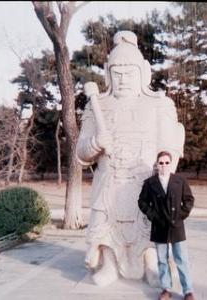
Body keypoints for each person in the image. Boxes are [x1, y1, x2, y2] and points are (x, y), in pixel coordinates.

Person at [76, 31, 185, 286]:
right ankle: (109, 263)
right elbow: (81, 153)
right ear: (108, 74)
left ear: (144, 73)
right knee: (105, 217)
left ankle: (151, 264)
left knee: (148, 220)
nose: (123, 79)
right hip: (110, 178)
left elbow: (170, 145)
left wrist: (163, 167)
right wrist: (94, 143)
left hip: (144, 176)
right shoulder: (97, 105)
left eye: (130, 72)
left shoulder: (160, 104)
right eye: (117, 73)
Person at [138, 151, 195, 300]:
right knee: (162, 260)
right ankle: (166, 289)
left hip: (177, 226)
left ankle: (188, 291)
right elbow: (142, 202)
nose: (164, 166)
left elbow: (189, 200)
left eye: (166, 163)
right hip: (159, 226)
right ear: (157, 165)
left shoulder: (180, 180)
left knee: (181, 259)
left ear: (171, 164)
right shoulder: (150, 183)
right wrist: (153, 216)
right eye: (161, 163)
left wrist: (180, 216)